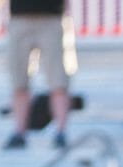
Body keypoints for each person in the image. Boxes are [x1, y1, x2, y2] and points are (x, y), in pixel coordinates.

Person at [4, 0, 77, 149]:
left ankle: (61, 131)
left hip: (51, 16)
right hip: (20, 16)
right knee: (18, 81)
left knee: (58, 81)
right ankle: (19, 131)